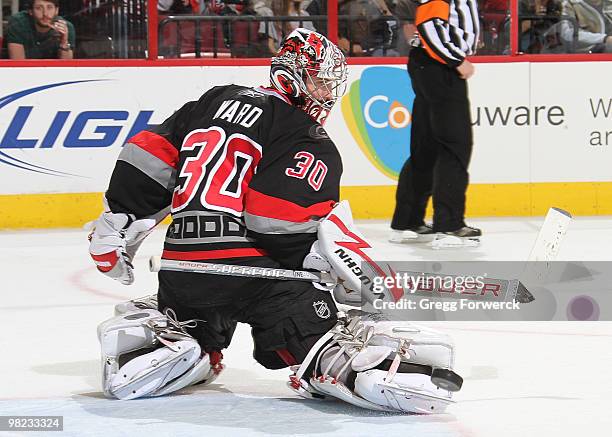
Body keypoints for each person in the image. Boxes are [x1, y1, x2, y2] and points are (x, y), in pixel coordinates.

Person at [88, 28, 462, 413]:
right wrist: (333, 266)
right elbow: (274, 221)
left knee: (194, 319)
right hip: (259, 280)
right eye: (318, 83)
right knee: (320, 334)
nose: (326, 95)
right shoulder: (304, 133)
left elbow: (146, 156)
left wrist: (120, 218)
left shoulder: (211, 100)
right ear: (291, 75)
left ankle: (176, 339)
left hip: (181, 269)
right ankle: (352, 366)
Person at [389, 0, 482, 247]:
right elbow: (429, 22)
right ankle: (449, 225)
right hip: (440, 66)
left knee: (426, 147)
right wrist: (455, 59)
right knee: (455, 145)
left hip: (428, 64)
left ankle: (408, 220)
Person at [6, 0, 75, 59]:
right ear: (30, 11)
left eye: (49, 7)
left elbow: (66, 68)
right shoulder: (18, 22)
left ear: (56, 10)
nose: (45, 13)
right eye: (39, 8)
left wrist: (64, 42)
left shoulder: (65, 27)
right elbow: (18, 65)